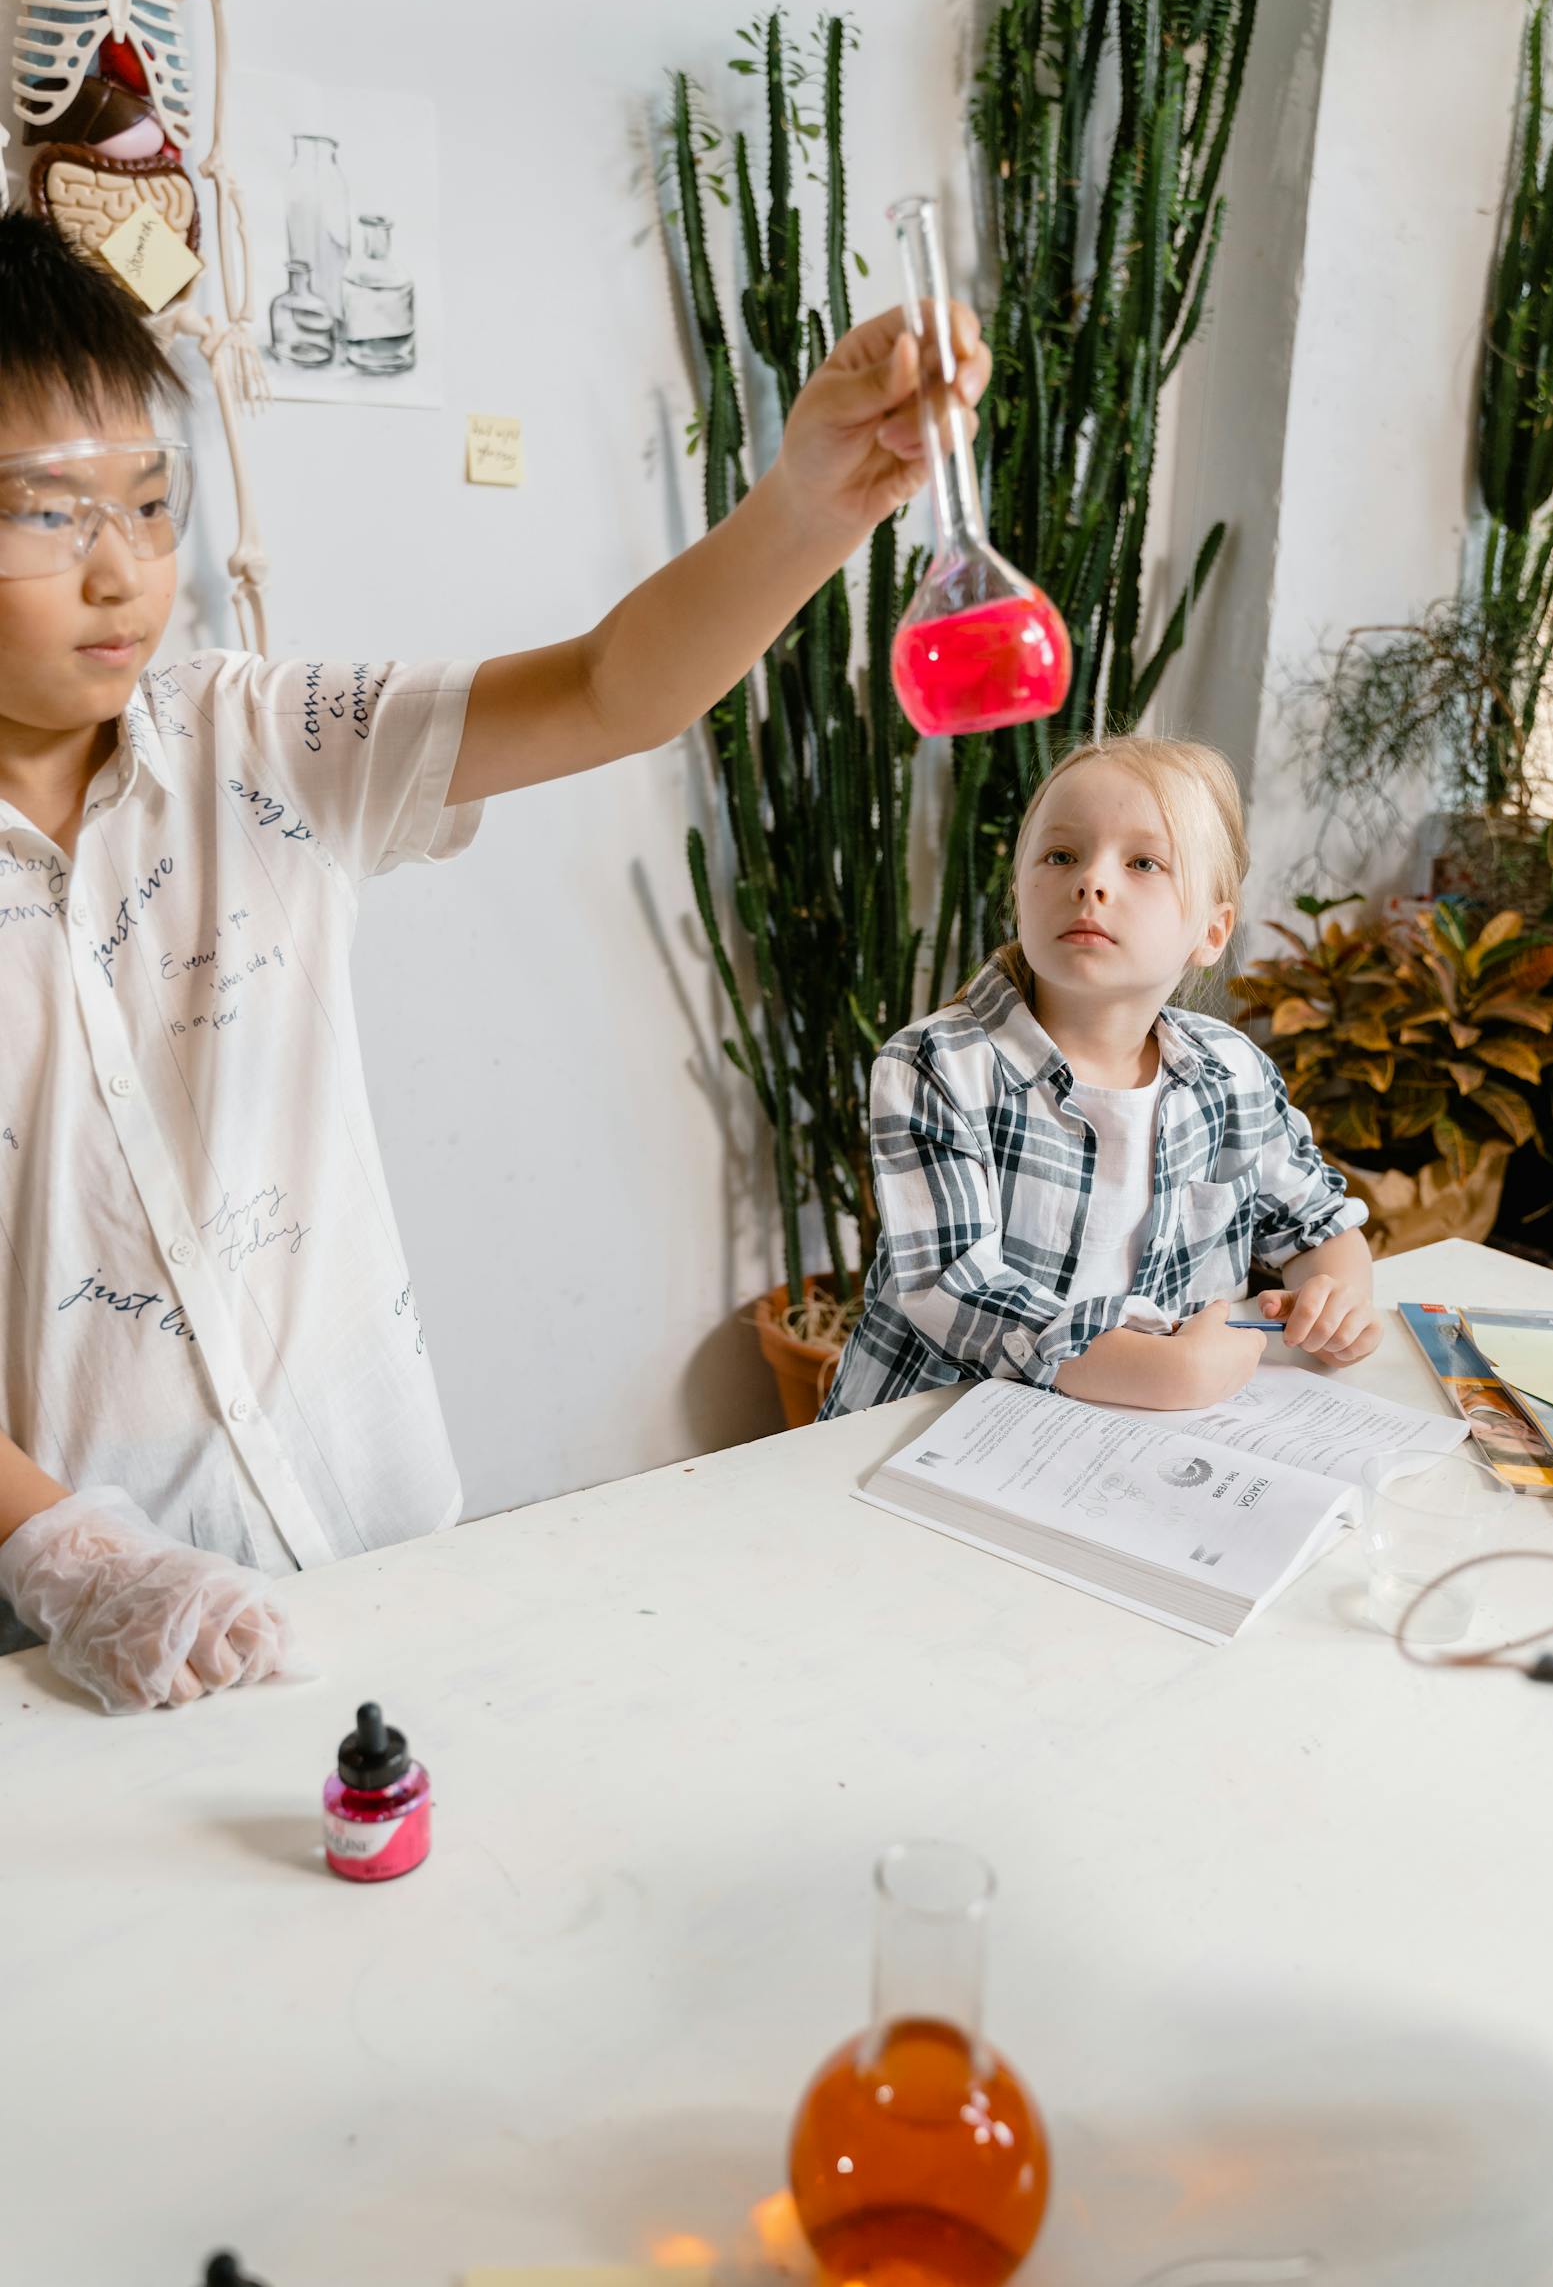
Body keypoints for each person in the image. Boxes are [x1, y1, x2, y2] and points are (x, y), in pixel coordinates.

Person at [0, 210, 992, 1711]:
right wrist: (80, 1560)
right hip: (87, 1653)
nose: (123, 572)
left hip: (382, 1552)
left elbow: (611, 690)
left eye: (149, 504)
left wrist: (813, 502)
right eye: (49, 514)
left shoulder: (255, 738)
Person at [821, 737, 1382, 1419]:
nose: (1092, 881)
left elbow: (1317, 1226)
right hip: (936, 1434)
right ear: (1019, 895)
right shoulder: (938, 1065)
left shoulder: (1233, 1072)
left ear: (1212, 931)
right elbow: (955, 1289)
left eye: (1144, 862)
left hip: (1132, 1443)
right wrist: (1161, 1375)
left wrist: (1335, 1294)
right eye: (1061, 855)